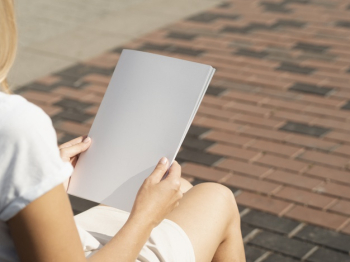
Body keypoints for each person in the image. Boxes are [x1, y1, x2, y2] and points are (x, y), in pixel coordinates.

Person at [0, 1, 245, 261]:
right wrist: (146, 218)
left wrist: (41, 177)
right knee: (218, 198)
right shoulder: (15, 124)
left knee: (181, 188)